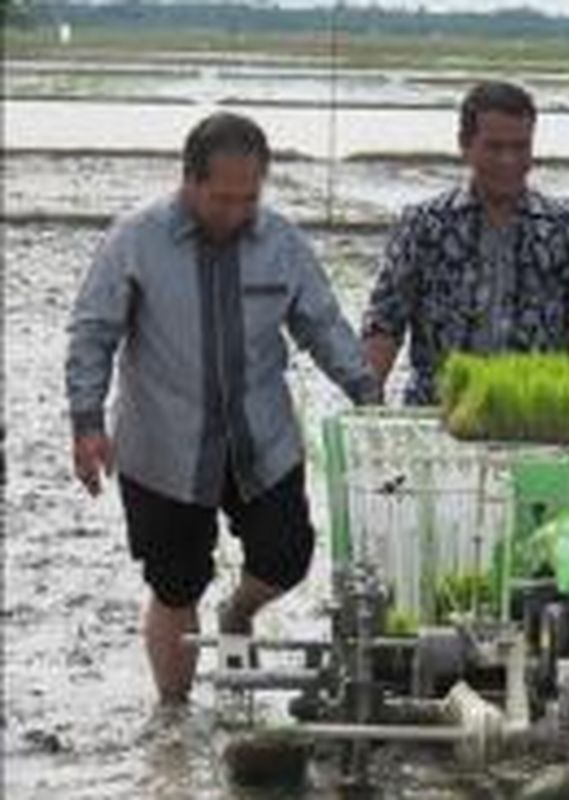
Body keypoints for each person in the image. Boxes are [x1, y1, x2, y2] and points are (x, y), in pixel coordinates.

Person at [66, 112, 380, 705]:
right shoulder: (135, 239)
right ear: (189, 180)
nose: (235, 213)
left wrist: (365, 391)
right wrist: (86, 424)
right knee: (175, 582)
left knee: (288, 554)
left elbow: (322, 323)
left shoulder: (281, 242)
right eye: (221, 198)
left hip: (260, 439)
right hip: (164, 443)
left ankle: (238, 613)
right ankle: (175, 715)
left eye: (249, 198)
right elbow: (93, 332)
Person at [362, 80, 569, 404]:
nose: (508, 160)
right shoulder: (424, 225)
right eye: (495, 147)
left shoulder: (565, 229)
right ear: (465, 145)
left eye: (520, 147)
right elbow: (385, 323)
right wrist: (367, 403)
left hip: (534, 417)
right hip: (438, 417)